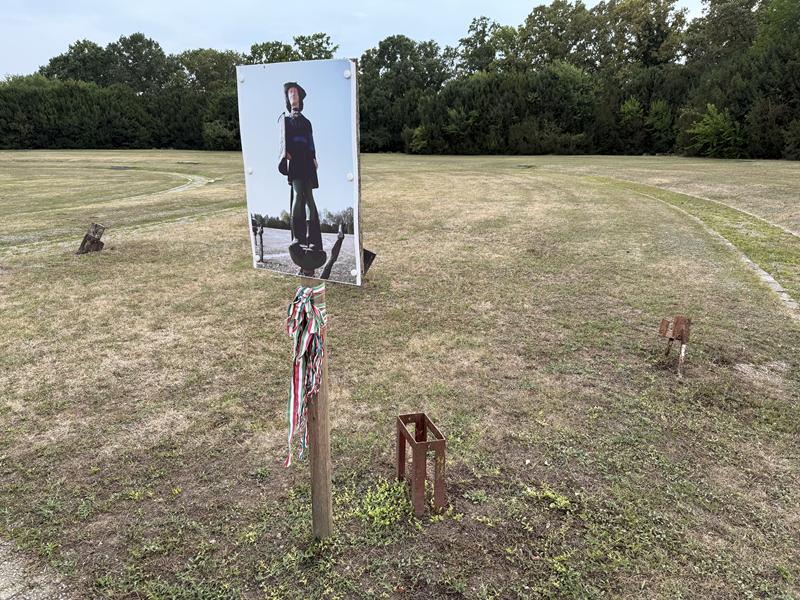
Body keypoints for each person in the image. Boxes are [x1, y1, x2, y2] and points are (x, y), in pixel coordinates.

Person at [280, 82, 326, 274]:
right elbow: (282, 139)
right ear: (287, 98)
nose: (293, 95)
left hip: (307, 159)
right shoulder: (285, 120)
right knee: (299, 195)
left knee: (310, 197)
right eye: (290, 92)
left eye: (295, 92)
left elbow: (311, 140)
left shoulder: (307, 121)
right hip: (295, 159)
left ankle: (313, 238)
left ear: (300, 97)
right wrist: (285, 153)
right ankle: (298, 237)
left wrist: (314, 156)